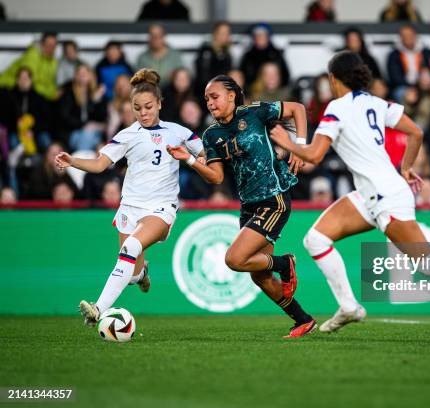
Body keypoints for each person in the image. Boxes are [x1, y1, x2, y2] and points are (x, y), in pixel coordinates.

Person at [268, 51, 430, 349]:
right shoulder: (376, 103)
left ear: (334, 79)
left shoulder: (336, 108)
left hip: (386, 198)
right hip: (371, 195)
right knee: (316, 240)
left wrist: (286, 141)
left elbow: (315, 156)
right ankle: (349, 307)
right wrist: (407, 167)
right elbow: (416, 132)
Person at [166, 75, 316, 338]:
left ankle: (285, 264)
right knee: (259, 275)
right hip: (248, 205)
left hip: (273, 199)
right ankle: (302, 320)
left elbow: (298, 109)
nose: (210, 103)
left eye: (215, 97)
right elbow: (217, 177)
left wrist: (299, 147)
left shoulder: (255, 112)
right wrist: (189, 160)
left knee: (234, 259)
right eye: (207, 100)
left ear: (232, 96)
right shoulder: (212, 134)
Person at [54, 69, 204, 327]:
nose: (143, 112)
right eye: (137, 108)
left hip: (161, 208)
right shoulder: (127, 135)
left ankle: (98, 309)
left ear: (159, 104)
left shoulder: (178, 132)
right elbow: (101, 164)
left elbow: (206, 153)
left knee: (131, 249)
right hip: (130, 208)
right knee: (132, 272)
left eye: (148, 106)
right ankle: (142, 273)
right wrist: (72, 162)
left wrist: (201, 159)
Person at [58, 63, 108, 151]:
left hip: (94, 132)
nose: (82, 76)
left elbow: (102, 117)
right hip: (73, 133)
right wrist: (85, 125)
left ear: (90, 76)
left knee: (93, 138)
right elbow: (65, 118)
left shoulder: (95, 92)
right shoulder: (68, 93)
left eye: (85, 74)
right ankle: (82, 161)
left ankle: (80, 160)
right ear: (75, 76)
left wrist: (96, 101)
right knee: (88, 136)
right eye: (79, 74)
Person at [0, 32, 59, 100]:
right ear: (42, 44)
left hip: (30, 93)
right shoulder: (33, 55)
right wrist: (51, 93)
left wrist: (55, 92)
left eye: (54, 46)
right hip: (6, 87)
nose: (51, 48)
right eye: (48, 45)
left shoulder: (54, 62)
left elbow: (51, 83)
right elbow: (28, 82)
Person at [387, 25, 430, 102]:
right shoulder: (394, 55)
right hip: (404, 86)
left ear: (415, 35)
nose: (407, 37)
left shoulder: (426, 52)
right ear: (400, 38)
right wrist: (411, 87)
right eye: (404, 35)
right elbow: (394, 76)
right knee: (399, 93)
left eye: (410, 35)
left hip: (425, 84)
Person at [239, 23, 290, 90]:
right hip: (254, 91)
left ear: (268, 37)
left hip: (275, 92)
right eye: (257, 36)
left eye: (262, 35)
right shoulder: (248, 56)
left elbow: (285, 75)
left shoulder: (276, 54)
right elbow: (243, 75)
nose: (259, 38)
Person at [194, 21, 232, 99]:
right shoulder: (206, 51)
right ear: (215, 34)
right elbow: (203, 78)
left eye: (228, 33)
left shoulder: (227, 53)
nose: (226, 36)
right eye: (223, 33)